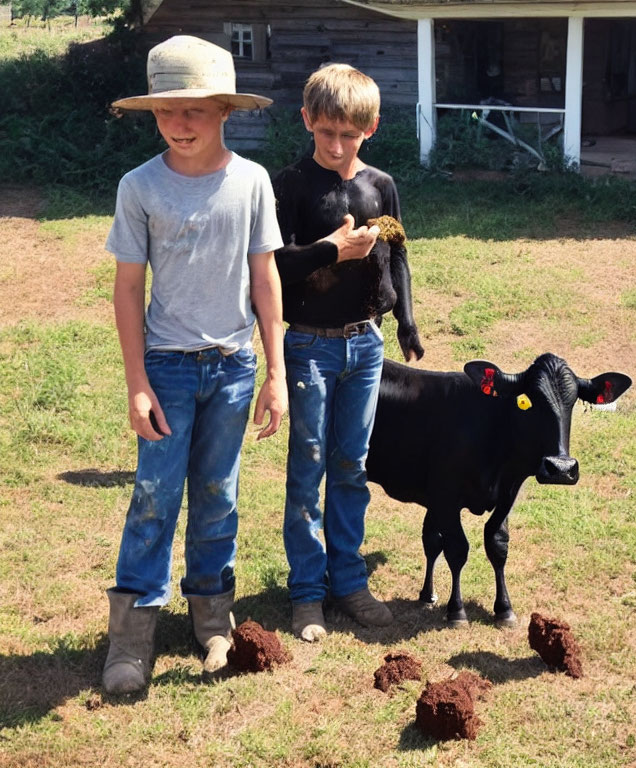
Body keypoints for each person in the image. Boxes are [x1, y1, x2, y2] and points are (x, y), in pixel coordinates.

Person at [102, 35, 286, 694]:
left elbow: (265, 280)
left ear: (226, 112)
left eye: (198, 111)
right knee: (154, 499)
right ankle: (132, 638)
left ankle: (212, 620)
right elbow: (128, 290)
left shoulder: (252, 183)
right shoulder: (140, 187)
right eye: (168, 111)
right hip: (168, 369)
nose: (182, 125)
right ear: (152, 115)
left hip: (233, 367)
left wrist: (276, 373)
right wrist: (137, 385)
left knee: (218, 497)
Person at [272, 63, 424, 642]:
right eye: (326, 132)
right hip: (309, 344)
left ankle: (349, 580)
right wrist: (329, 251)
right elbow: (275, 262)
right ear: (308, 119)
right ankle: (307, 593)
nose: (336, 146)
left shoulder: (381, 187)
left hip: (366, 345)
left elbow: (399, 254)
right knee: (308, 467)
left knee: (352, 466)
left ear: (372, 127)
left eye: (350, 135)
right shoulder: (288, 185)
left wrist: (406, 320)